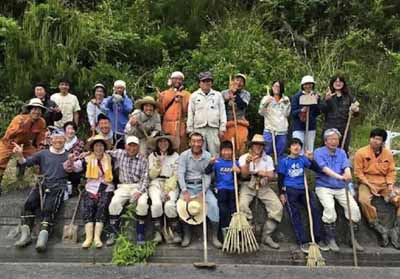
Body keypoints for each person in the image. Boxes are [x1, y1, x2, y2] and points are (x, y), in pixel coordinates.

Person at [13, 129, 74, 252]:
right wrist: (20, 155)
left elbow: (74, 172)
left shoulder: (69, 155)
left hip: (59, 186)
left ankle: (43, 237)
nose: (58, 141)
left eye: (61, 138)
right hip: (42, 184)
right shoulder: (43, 153)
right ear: (51, 140)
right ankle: (25, 235)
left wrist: (72, 162)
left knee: (48, 209)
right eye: (55, 138)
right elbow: (26, 162)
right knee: (28, 204)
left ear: (65, 140)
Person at [313, 128, 363, 252]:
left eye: (336, 139)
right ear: (325, 141)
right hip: (324, 186)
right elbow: (324, 169)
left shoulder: (341, 152)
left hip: (341, 187)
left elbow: (346, 166)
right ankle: (330, 239)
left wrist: (347, 174)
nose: (334, 141)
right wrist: (341, 177)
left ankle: (352, 238)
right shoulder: (318, 152)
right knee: (329, 209)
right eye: (331, 139)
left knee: (354, 209)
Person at [278, 138, 328, 253]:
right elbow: (280, 179)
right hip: (290, 190)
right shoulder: (284, 161)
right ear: (289, 148)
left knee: (314, 209)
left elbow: (317, 169)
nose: (296, 147)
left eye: (298, 145)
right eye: (293, 145)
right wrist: (281, 193)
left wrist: (311, 159)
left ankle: (318, 238)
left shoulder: (303, 159)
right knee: (294, 214)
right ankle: (303, 241)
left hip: (304, 189)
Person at [354, 128, 400, 249]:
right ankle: (380, 228)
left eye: (378, 139)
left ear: (382, 142)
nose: (375, 141)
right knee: (363, 200)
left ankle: (396, 230)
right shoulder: (361, 152)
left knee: (398, 198)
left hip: (384, 183)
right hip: (366, 182)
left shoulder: (387, 154)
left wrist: (390, 185)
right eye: (373, 138)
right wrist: (369, 185)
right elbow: (358, 173)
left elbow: (391, 171)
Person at [67, 135, 114, 249]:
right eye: (97, 146)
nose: (99, 148)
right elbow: (74, 168)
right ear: (93, 148)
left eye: (101, 146)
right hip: (90, 187)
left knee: (102, 207)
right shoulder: (87, 159)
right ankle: (89, 238)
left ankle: (97, 237)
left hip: (106, 187)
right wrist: (71, 160)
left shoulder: (110, 158)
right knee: (88, 206)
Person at [177, 132, 222, 248]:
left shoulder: (207, 156)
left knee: (213, 204)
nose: (196, 144)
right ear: (190, 142)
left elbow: (207, 175)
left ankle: (215, 236)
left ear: (202, 143)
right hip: (188, 186)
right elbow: (180, 174)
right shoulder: (184, 156)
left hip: (203, 187)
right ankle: (187, 234)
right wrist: (184, 190)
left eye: (199, 141)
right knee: (182, 205)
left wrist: (204, 191)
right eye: (194, 141)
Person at [238, 134, 283, 249]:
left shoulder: (268, 158)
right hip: (248, 184)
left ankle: (266, 236)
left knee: (277, 207)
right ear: (252, 146)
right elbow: (243, 174)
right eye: (256, 144)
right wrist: (247, 164)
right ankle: (248, 235)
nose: (258, 147)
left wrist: (265, 175)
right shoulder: (244, 157)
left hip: (263, 185)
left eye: (260, 145)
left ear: (263, 146)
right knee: (242, 205)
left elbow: (272, 175)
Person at [106, 136, 149, 246]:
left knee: (143, 204)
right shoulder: (120, 153)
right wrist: (88, 154)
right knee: (114, 203)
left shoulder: (143, 159)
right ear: (126, 146)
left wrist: (140, 191)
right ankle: (114, 233)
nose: (132, 148)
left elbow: (145, 178)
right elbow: (104, 151)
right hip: (123, 186)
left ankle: (140, 233)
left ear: (138, 147)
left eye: (134, 145)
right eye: (130, 145)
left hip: (138, 186)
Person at [0, 98, 47, 195]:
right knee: (1, 162)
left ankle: (40, 185)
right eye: (34, 109)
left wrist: (40, 149)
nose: (37, 112)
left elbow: (40, 138)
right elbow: (9, 134)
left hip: (25, 145)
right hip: (8, 143)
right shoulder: (19, 119)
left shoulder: (41, 121)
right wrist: (24, 124)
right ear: (29, 110)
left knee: (40, 159)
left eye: (39, 109)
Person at [147, 133, 181, 244]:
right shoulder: (152, 156)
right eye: (160, 141)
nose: (163, 144)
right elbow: (151, 176)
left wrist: (167, 190)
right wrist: (158, 165)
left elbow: (176, 175)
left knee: (169, 204)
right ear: (157, 143)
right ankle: (158, 232)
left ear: (169, 143)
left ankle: (175, 231)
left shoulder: (175, 156)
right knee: (156, 204)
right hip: (156, 182)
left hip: (170, 183)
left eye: (165, 141)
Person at [205, 140, 240, 238]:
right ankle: (224, 234)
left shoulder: (235, 162)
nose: (226, 152)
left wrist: (238, 171)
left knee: (233, 211)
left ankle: (234, 233)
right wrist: (211, 164)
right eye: (224, 150)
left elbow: (242, 177)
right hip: (221, 190)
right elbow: (206, 171)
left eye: (229, 150)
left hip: (233, 190)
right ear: (220, 151)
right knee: (223, 211)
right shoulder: (217, 162)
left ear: (232, 151)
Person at [187, 72, 226, 157]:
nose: (206, 83)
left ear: (211, 82)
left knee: (215, 152)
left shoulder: (218, 95)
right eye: (204, 81)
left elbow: (222, 113)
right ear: (199, 83)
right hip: (198, 128)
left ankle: (214, 170)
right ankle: (199, 170)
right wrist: (190, 130)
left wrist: (222, 128)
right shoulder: (194, 95)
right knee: (198, 152)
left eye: (208, 81)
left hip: (214, 128)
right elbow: (190, 113)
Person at [320, 74, 359, 154]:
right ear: (332, 83)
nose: (338, 83)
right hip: (330, 127)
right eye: (336, 81)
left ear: (343, 83)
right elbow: (322, 110)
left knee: (343, 149)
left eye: (340, 81)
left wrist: (355, 110)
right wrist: (327, 100)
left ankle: (342, 166)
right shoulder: (328, 95)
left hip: (344, 127)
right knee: (327, 150)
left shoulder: (348, 96)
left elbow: (356, 110)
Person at [158, 71, 191, 153]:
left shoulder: (187, 94)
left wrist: (181, 101)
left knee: (181, 149)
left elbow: (188, 111)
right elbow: (160, 112)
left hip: (181, 125)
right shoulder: (164, 94)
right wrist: (159, 100)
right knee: (167, 148)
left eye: (180, 79)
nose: (177, 81)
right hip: (167, 126)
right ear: (171, 80)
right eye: (175, 79)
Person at [259, 80, 291, 159]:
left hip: (282, 130)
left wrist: (286, 104)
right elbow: (261, 113)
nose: (276, 88)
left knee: (280, 151)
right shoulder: (266, 98)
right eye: (275, 86)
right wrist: (266, 104)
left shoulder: (285, 99)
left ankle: (279, 169)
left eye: (279, 86)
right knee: (266, 150)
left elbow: (287, 114)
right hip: (269, 129)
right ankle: (266, 168)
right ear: (272, 87)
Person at [222, 73, 251, 155]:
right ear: (232, 81)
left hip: (240, 123)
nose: (239, 83)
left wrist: (235, 93)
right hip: (227, 124)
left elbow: (243, 106)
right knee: (228, 147)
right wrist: (227, 99)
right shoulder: (223, 93)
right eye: (237, 80)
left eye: (242, 81)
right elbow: (220, 108)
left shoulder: (246, 94)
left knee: (241, 147)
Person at [291, 75, 321, 152]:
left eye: (310, 84)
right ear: (303, 85)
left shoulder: (315, 96)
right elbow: (293, 113)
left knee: (309, 150)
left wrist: (315, 102)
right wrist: (301, 110)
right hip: (298, 127)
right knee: (298, 150)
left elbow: (317, 112)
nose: (308, 86)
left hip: (311, 127)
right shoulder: (296, 97)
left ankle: (308, 164)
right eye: (306, 84)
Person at [103, 80, 133, 149]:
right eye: (117, 88)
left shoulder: (127, 100)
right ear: (114, 89)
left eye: (121, 88)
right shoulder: (110, 98)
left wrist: (122, 101)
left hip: (123, 129)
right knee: (110, 148)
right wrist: (112, 99)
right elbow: (106, 106)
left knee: (121, 149)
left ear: (124, 89)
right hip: (111, 129)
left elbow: (129, 109)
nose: (119, 90)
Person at [63, 121, 85, 195]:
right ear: (64, 130)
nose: (70, 131)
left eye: (73, 129)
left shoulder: (79, 142)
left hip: (73, 165)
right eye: (68, 129)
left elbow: (76, 155)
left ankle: (73, 188)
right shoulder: (60, 140)